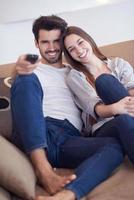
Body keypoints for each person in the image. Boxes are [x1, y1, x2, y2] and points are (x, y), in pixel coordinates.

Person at [11, 16, 123, 200]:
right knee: (26, 78)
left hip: (68, 139)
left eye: (56, 41)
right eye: (45, 42)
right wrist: (19, 68)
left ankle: (66, 195)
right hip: (38, 130)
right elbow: (20, 81)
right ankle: (43, 170)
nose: (52, 47)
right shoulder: (32, 69)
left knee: (114, 146)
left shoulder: (76, 74)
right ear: (36, 43)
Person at [62, 25, 134, 164]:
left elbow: (132, 88)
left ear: (88, 40)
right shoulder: (75, 76)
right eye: (71, 49)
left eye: (80, 42)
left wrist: (127, 107)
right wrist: (118, 108)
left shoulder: (118, 64)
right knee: (104, 82)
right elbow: (97, 109)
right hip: (103, 127)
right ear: (69, 55)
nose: (78, 50)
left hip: (129, 117)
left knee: (124, 118)